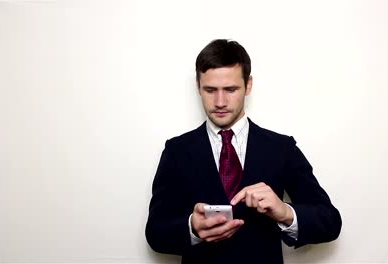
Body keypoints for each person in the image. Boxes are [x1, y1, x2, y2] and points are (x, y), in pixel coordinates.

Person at [145, 39, 342, 264]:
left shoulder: (281, 148)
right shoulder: (177, 151)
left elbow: (330, 221)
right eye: (210, 90)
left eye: (230, 89)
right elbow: (155, 233)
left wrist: (284, 212)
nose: (220, 102)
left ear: (248, 85)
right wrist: (192, 227)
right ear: (197, 86)